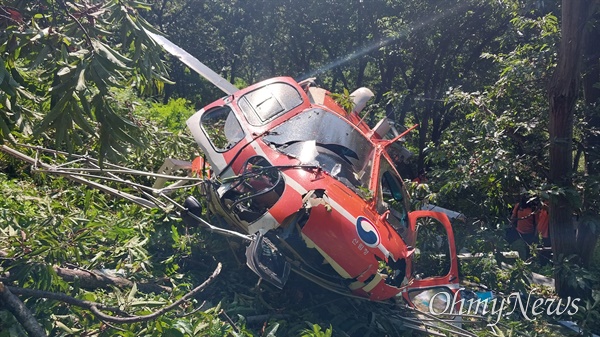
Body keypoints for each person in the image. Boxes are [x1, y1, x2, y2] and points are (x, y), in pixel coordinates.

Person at [509, 195, 536, 259]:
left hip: (529, 232)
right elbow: (513, 216)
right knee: (515, 245)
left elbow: (536, 222)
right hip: (518, 231)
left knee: (528, 249)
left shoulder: (533, 209)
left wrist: (535, 234)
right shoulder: (518, 206)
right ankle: (515, 258)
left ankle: (527, 260)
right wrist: (511, 223)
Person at [535, 201, 552, 266]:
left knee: (546, 251)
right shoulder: (541, 207)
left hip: (547, 233)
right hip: (540, 232)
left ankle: (546, 265)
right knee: (540, 250)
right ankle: (541, 265)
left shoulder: (549, 207)